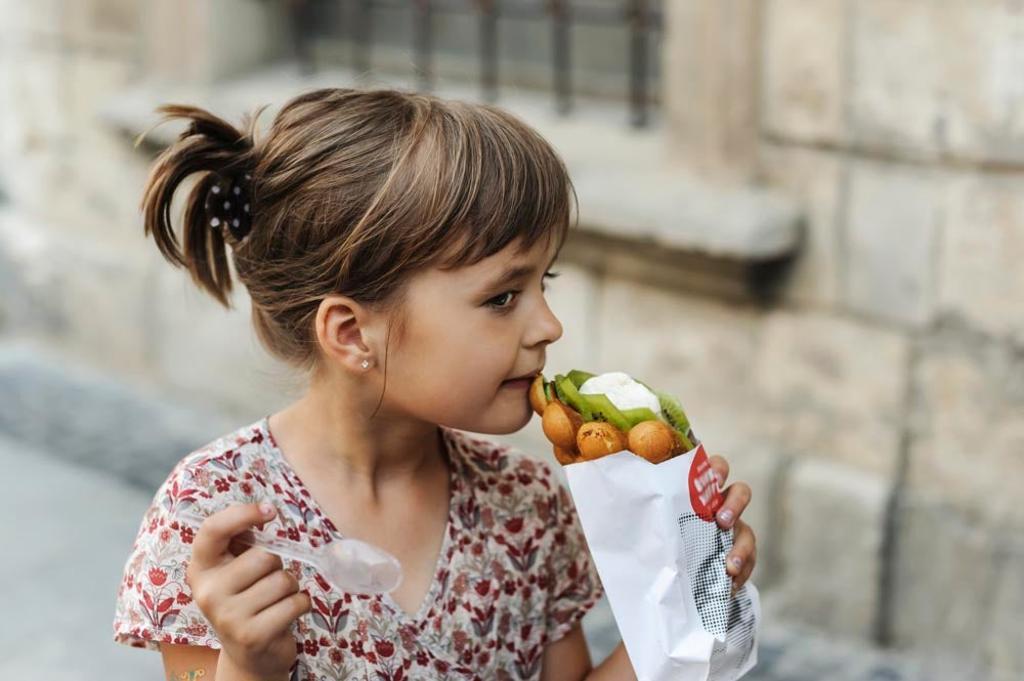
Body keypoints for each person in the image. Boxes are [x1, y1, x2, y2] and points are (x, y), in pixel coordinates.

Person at [111, 87, 758, 681]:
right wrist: (249, 666)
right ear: (351, 333)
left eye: (544, 283)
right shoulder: (215, 518)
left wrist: (691, 591)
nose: (550, 326)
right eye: (503, 296)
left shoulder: (527, 503)